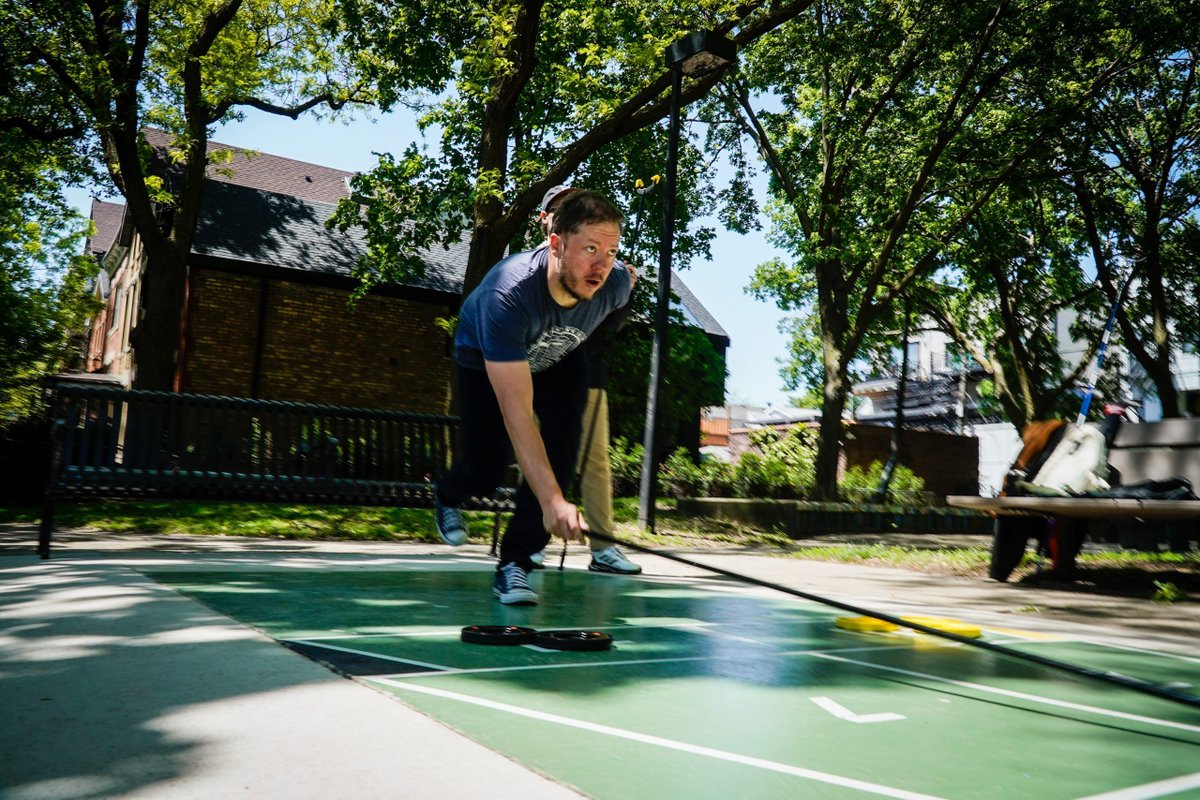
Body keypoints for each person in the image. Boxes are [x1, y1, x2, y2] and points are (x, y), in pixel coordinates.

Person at [433, 189, 633, 605]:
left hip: (559, 355)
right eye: (590, 249)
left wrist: (553, 492)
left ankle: (515, 564)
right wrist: (554, 503)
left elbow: (620, 289)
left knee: (561, 453)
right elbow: (518, 415)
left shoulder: (613, 284)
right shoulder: (508, 295)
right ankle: (448, 493)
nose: (601, 264)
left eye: (611, 251)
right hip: (483, 359)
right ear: (555, 244)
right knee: (487, 466)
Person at [532, 186, 641, 576]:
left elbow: (611, 325)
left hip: (587, 375)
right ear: (546, 220)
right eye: (562, 209)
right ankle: (532, 542)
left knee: (596, 464)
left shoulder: (600, 265)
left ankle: (604, 549)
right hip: (538, 376)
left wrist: (623, 292)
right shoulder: (530, 271)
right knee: (541, 459)